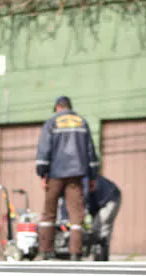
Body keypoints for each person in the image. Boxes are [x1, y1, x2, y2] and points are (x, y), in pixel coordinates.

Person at [35, 96, 100, 261]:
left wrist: (42, 172)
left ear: (58, 107)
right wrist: (92, 175)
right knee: (76, 214)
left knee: (49, 212)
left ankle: (44, 251)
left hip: (55, 173)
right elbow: (90, 151)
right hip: (76, 175)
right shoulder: (82, 122)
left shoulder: (52, 122)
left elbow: (44, 148)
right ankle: (75, 252)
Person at [58, 175, 122, 261]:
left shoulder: (82, 180)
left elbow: (84, 201)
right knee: (90, 227)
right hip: (96, 201)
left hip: (109, 198)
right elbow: (65, 203)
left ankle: (101, 257)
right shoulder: (67, 184)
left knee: (99, 227)